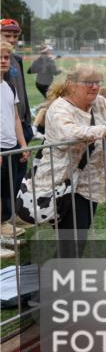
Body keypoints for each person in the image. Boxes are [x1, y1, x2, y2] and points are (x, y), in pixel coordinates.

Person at [16, 64, 106, 257]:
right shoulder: (59, 108)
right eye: (88, 82)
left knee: (75, 240)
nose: (95, 87)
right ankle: (49, 281)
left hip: (91, 183)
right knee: (72, 242)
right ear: (71, 85)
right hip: (61, 182)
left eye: (97, 82)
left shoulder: (100, 102)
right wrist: (104, 130)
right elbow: (67, 134)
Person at [1, 42, 30, 230]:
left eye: (6, 57)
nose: (4, 61)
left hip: (12, 147)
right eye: (0, 57)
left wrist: (23, 144)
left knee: (5, 190)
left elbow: (16, 118)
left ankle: (3, 224)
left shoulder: (9, 87)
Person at [1, 19, 32, 144]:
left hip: (21, 123)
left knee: (20, 162)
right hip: (6, 126)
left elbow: (21, 92)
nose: (12, 40)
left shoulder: (16, 59)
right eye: (7, 35)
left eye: (15, 36)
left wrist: (27, 119)